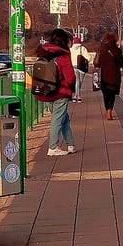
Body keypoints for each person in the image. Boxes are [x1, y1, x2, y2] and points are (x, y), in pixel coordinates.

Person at [35, 28, 77, 156]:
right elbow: (70, 77)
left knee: (63, 118)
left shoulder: (44, 52)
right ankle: (53, 148)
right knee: (57, 120)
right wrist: (72, 88)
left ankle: (71, 144)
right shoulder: (63, 54)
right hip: (60, 92)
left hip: (46, 91)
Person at [95, 32, 123, 120]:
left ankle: (107, 109)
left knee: (106, 94)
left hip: (104, 76)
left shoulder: (101, 50)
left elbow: (97, 63)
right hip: (114, 77)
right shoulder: (117, 51)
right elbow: (121, 63)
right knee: (112, 95)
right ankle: (110, 110)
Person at [69, 36, 91, 102]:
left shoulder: (70, 49)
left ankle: (75, 95)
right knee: (80, 82)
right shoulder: (83, 49)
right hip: (82, 67)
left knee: (77, 82)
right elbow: (88, 58)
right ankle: (77, 96)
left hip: (73, 67)